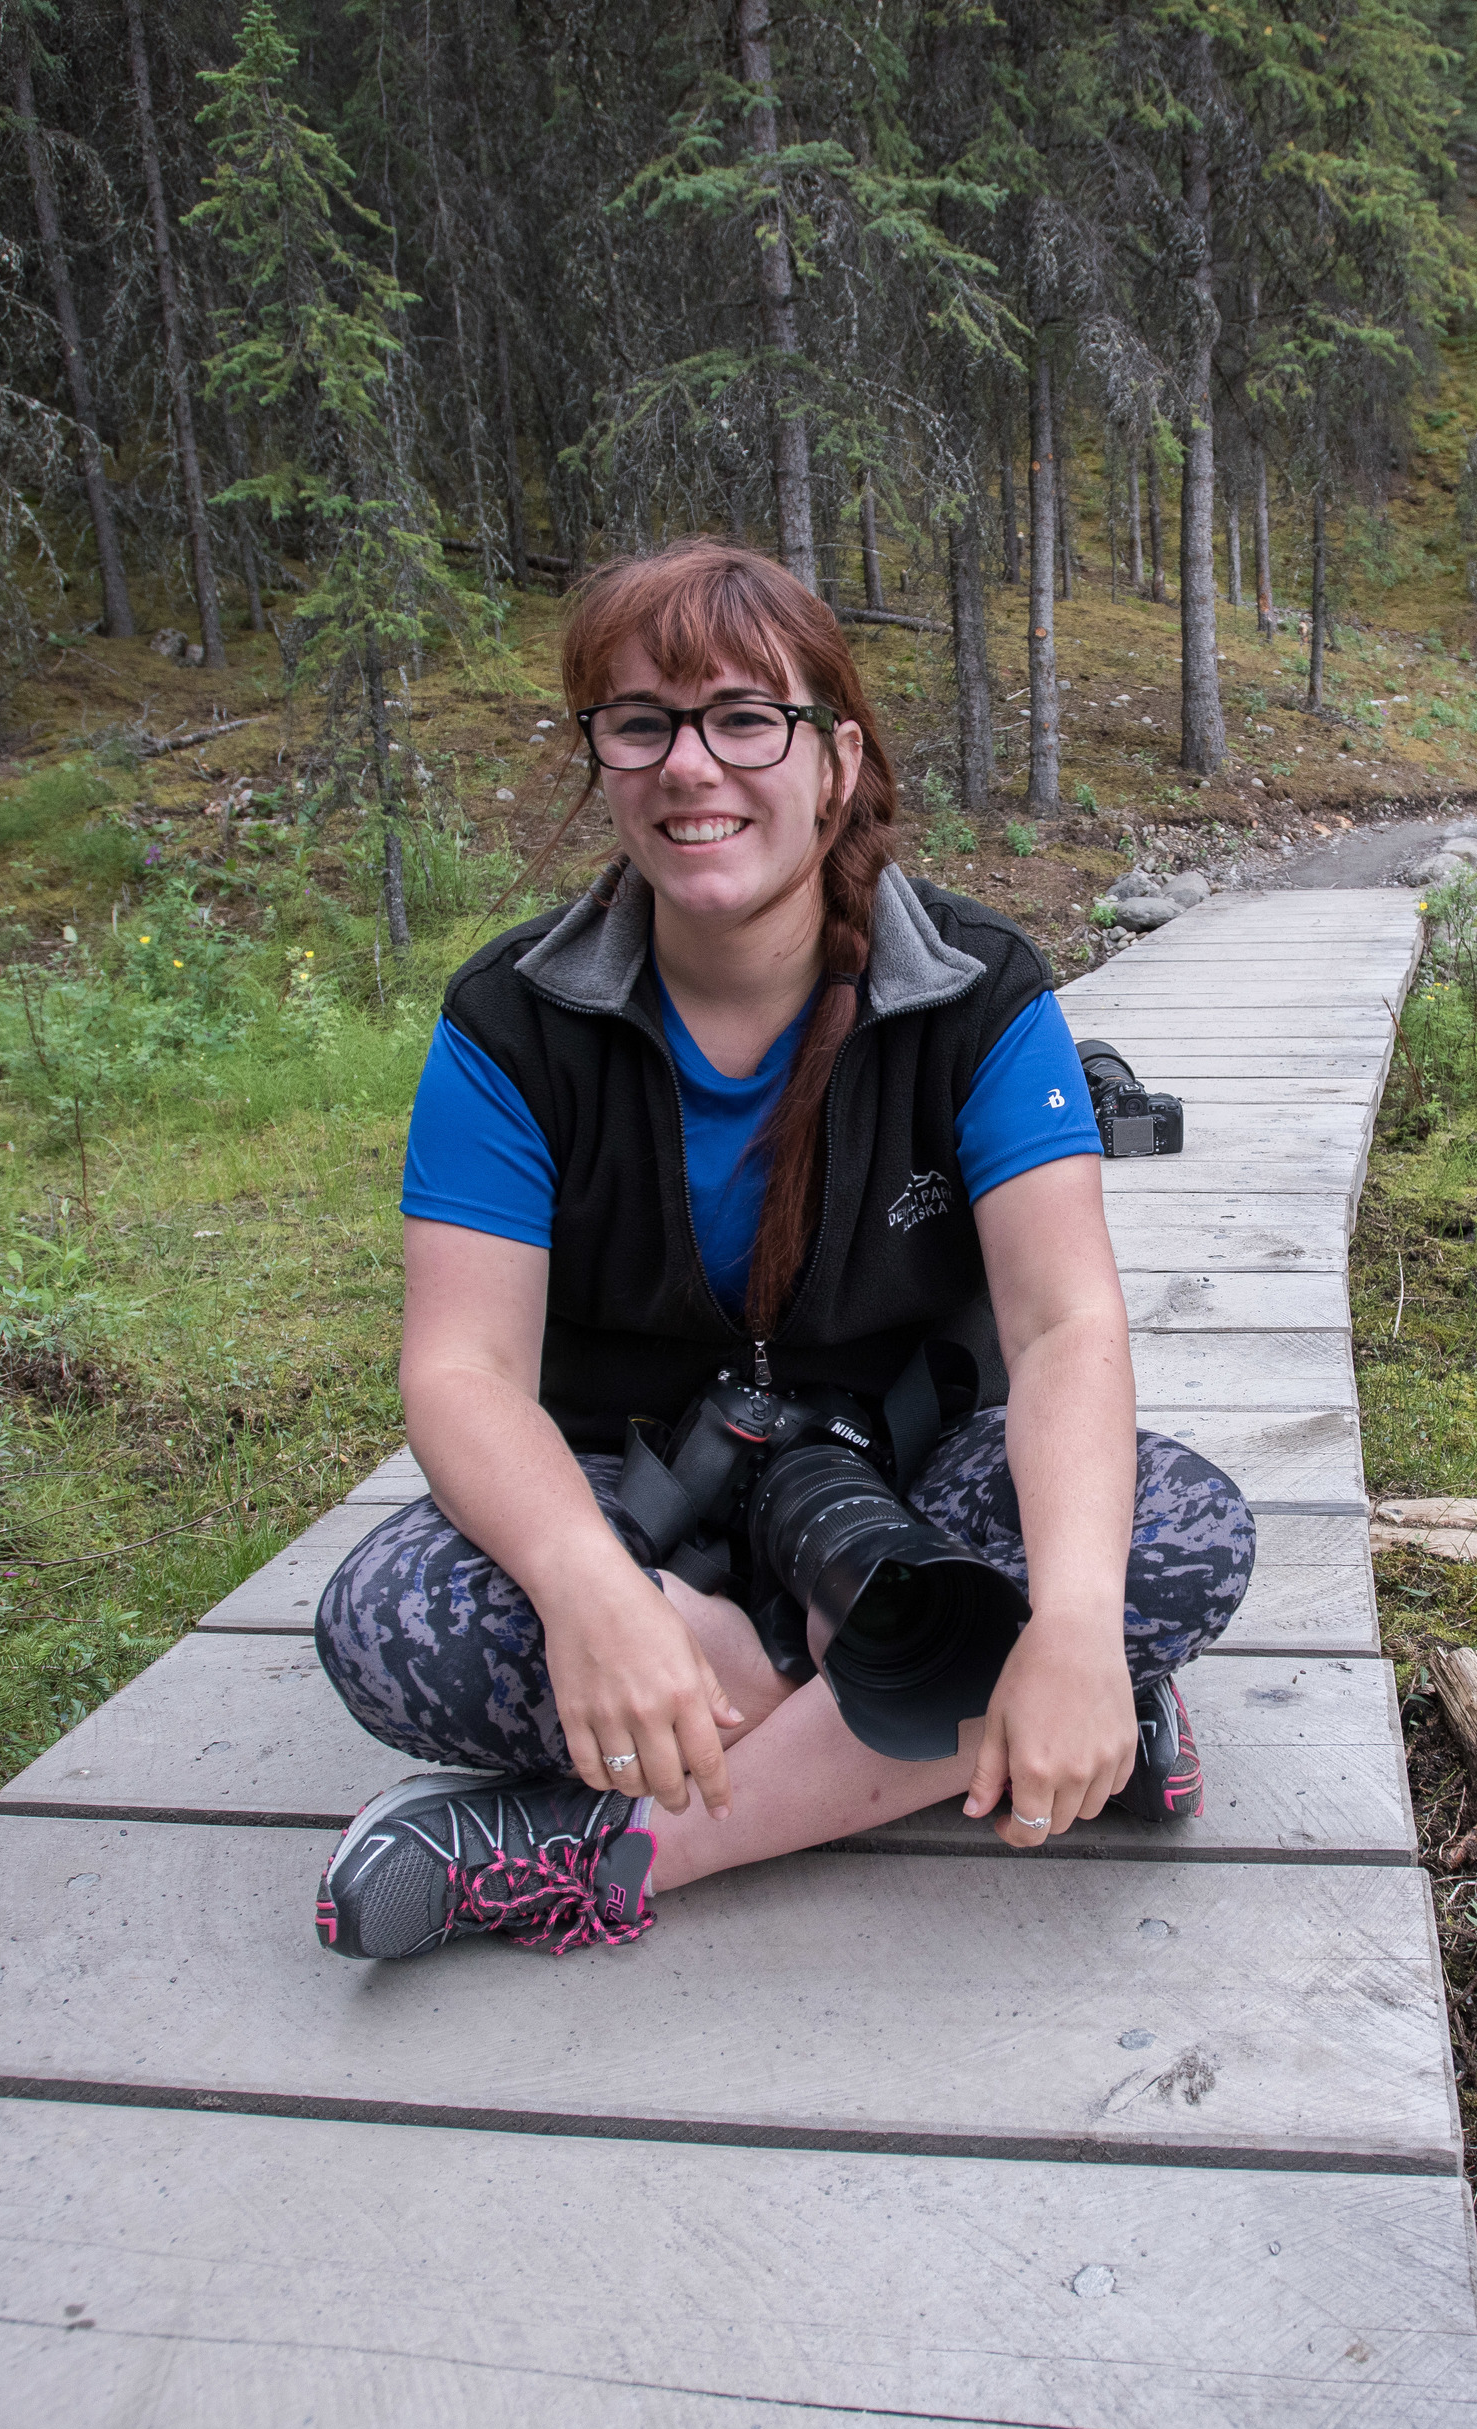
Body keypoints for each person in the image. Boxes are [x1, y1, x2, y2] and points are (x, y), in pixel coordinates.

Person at [308, 539, 1257, 1960]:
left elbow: (1067, 1329)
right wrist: (602, 1593)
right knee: (392, 1628)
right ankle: (1030, 1720)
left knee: (1174, 1536)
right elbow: (459, 1367)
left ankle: (608, 1853)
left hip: (911, 1485)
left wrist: (1064, 1618)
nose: (692, 767)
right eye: (642, 723)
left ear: (835, 757)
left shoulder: (976, 994)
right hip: (640, 1500)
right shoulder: (512, 1023)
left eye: (747, 718)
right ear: (605, 760)